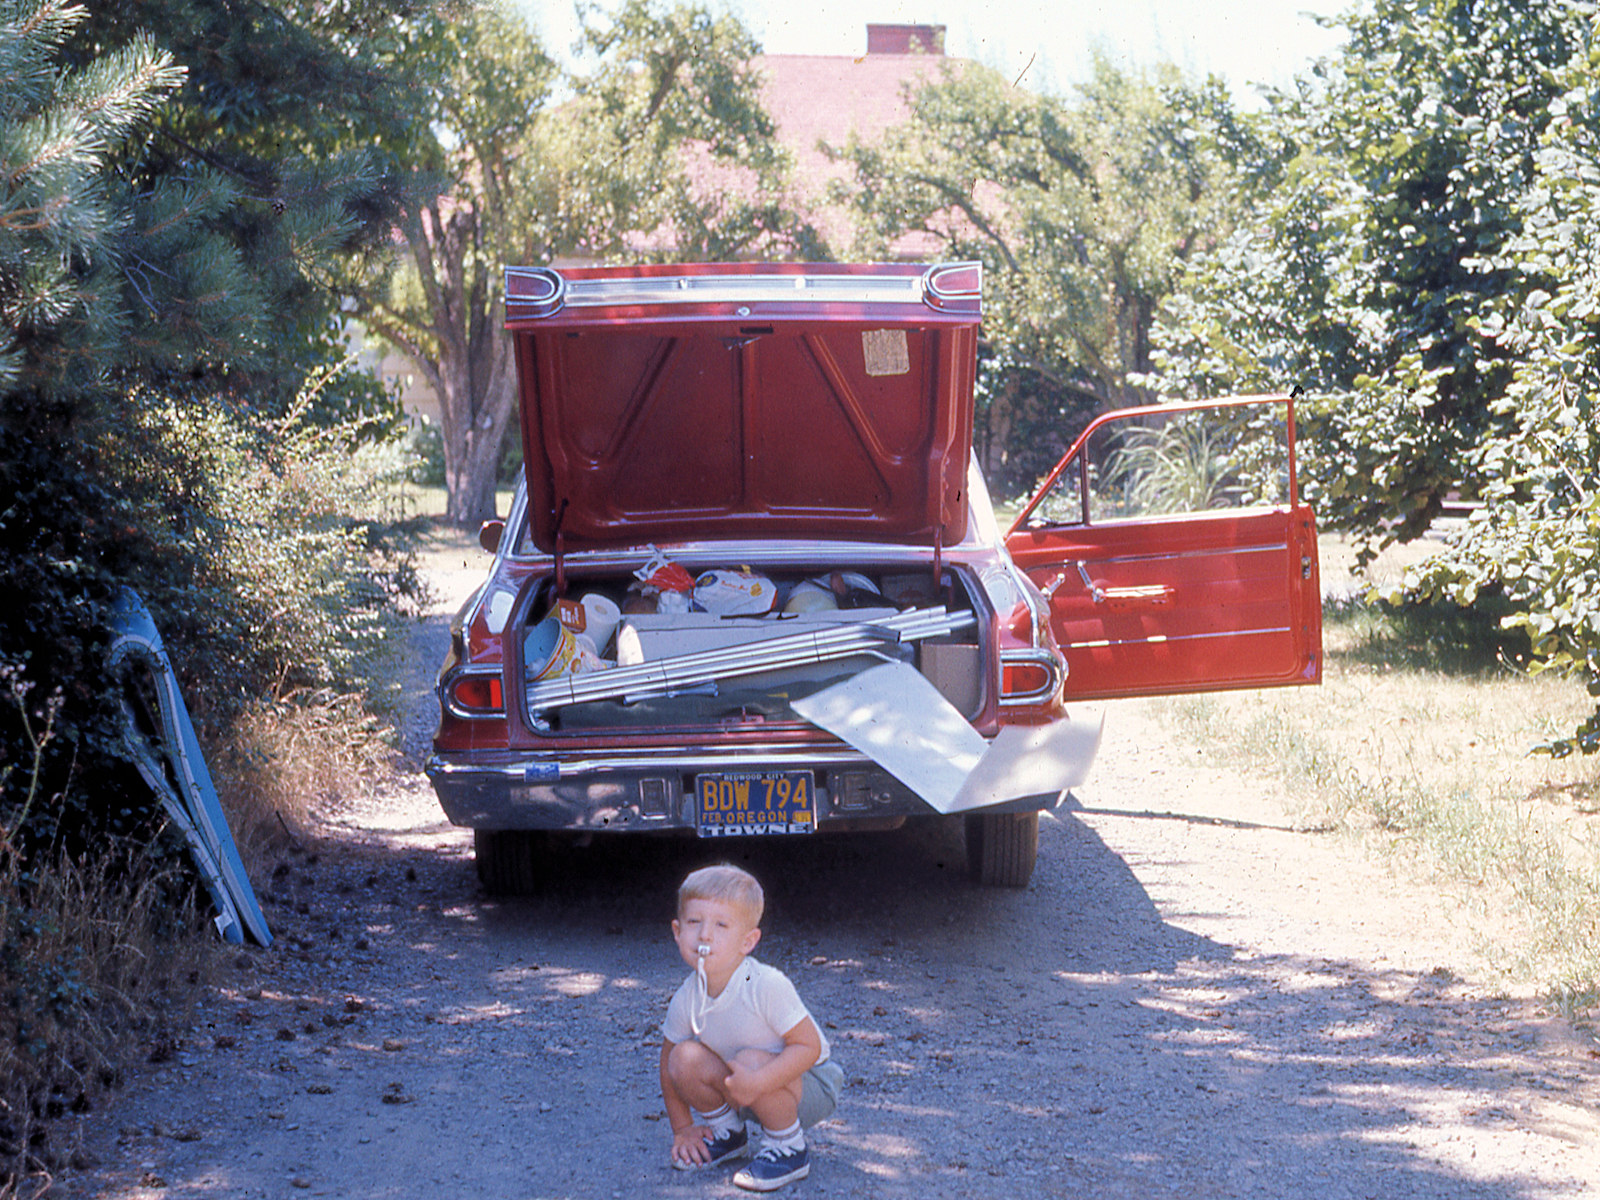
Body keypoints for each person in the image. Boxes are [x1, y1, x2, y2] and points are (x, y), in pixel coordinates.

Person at [659, 864, 844, 1191]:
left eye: (721, 925)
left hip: (809, 1083)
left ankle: (789, 1148)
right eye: (693, 922)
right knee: (684, 1057)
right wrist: (682, 1128)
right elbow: (668, 1064)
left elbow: (808, 1047)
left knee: (749, 1059)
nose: (705, 934)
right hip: (746, 1084)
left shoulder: (764, 984)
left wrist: (758, 1080)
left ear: (748, 941)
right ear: (677, 931)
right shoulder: (687, 996)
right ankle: (728, 1134)